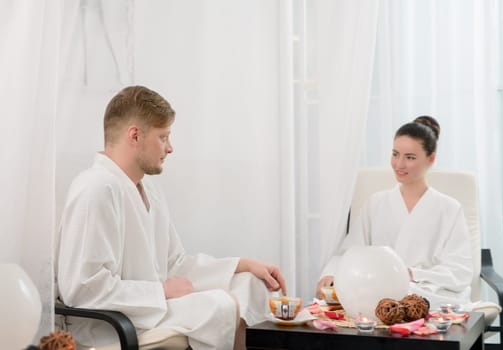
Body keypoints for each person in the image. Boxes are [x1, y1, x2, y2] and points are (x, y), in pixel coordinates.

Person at [56, 86, 287, 350]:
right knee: (220, 305)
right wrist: (162, 291)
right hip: (114, 325)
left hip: (150, 308)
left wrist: (243, 265)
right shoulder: (96, 188)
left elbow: (174, 264)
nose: (170, 148)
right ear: (135, 135)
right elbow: (84, 288)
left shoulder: (148, 189)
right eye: (163, 137)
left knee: (250, 285)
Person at [317, 116, 473, 308]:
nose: (399, 164)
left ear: (430, 159)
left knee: (413, 298)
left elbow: (460, 270)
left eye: (410, 157)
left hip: (423, 291)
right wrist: (331, 273)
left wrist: (413, 274)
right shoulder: (375, 203)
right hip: (377, 291)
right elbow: (351, 251)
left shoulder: (449, 208)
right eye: (395, 154)